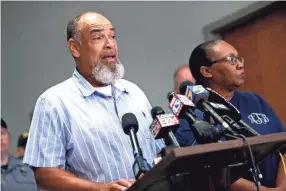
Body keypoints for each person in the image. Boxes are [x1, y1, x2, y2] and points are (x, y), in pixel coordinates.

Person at [23, 11, 165, 191]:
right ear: (75, 47)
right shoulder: (54, 102)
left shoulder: (134, 92)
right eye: (98, 37)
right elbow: (45, 174)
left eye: (112, 36)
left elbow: (158, 152)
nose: (110, 44)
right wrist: (101, 189)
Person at [174, 40, 286, 191]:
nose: (240, 65)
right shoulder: (189, 117)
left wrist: (281, 187)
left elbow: (282, 147)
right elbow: (210, 169)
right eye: (231, 60)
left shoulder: (255, 100)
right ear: (207, 71)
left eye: (239, 59)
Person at [1, 119, 39, 191]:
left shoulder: (29, 169)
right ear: (18, 150)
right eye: (26, 148)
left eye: (2, 133)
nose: (1, 138)